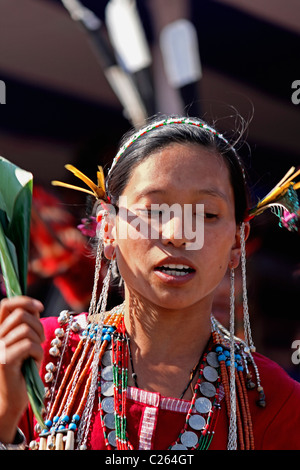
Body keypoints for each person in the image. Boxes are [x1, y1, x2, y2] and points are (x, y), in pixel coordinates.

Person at [0, 115, 299, 451]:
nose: (178, 235)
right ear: (107, 228)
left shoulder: (273, 401)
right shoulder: (36, 359)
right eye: (155, 210)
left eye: (207, 214)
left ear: (236, 242)